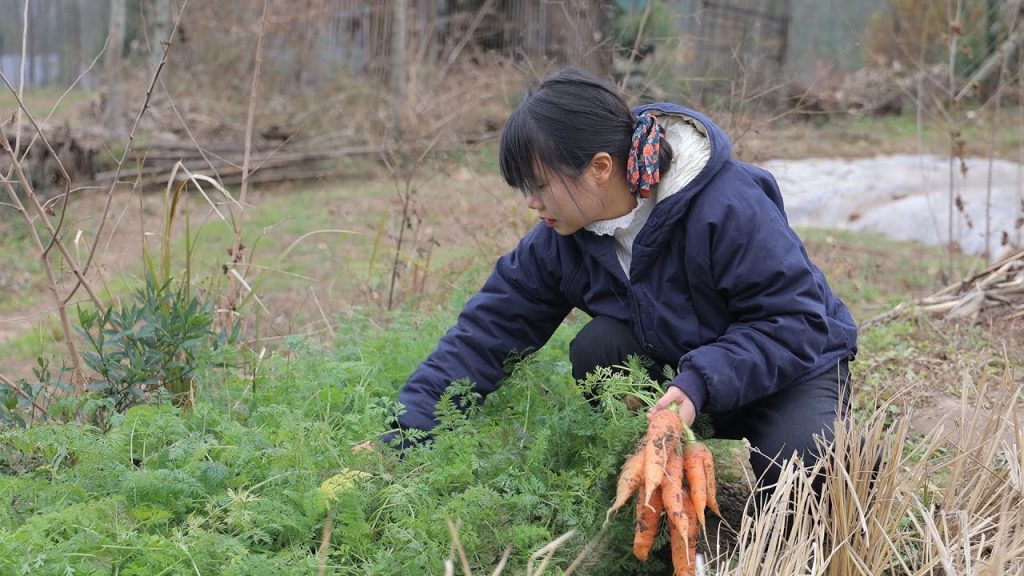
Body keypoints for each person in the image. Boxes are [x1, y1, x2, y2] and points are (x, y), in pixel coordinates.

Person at [386, 67, 857, 493]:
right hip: (691, 378)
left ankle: (822, 451)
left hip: (792, 368)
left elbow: (794, 322)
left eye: (539, 184)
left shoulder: (726, 206)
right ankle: (658, 472)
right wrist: (405, 434)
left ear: (600, 168)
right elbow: (486, 332)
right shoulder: (561, 238)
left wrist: (699, 383)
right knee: (599, 348)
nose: (531, 202)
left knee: (801, 469)